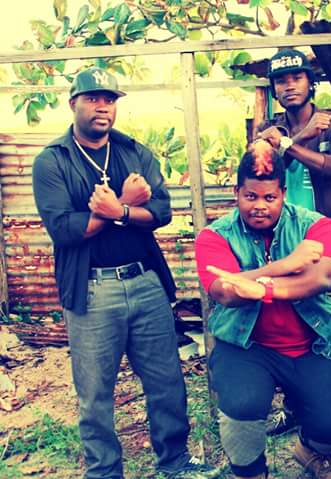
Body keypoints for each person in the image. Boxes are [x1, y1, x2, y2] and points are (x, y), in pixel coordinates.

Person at [31, 67, 219, 479]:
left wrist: (118, 210)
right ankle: (104, 471)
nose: (103, 107)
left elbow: (162, 212)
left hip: (145, 282)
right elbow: (64, 229)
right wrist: (125, 206)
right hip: (92, 290)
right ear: (73, 104)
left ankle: (174, 460)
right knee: (95, 393)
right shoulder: (53, 160)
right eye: (93, 98)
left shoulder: (134, 152)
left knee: (166, 381)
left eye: (110, 99)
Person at [194, 140, 331, 479]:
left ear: (283, 193)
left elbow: (323, 277)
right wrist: (285, 265)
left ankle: (311, 451)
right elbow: (225, 292)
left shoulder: (315, 225)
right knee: (241, 407)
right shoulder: (215, 236)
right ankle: (252, 472)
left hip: (309, 345)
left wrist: (261, 288)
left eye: (269, 198)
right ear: (236, 193)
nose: (259, 206)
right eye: (250, 196)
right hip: (246, 346)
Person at [255, 48, 331, 442]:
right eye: (281, 80)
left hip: (328, 244)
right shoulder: (268, 128)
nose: (289, 85)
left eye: (296, 77)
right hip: (281, 246)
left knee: (328, 329)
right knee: (286, 331)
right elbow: (260, 173)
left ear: (310, 82)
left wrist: (290, 145)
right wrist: (297, 139)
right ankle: (295, 409)